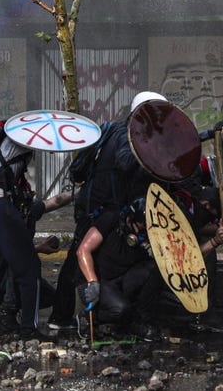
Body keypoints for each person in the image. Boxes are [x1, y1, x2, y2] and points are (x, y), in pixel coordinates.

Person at [46, 91, 161, 331]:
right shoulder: (125, 135)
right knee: (78, 260)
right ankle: (69, 315)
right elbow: (124, 161)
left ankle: (79, 310)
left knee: (94, 258)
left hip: (104, 207)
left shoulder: (125, 132)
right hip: (99, 209)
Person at [0, 133, 70, 342]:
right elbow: (45, 139)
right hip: (0, 207)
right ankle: (29, 329)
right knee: (30, 269)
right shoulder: (16, 139)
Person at [74, 199, 164, 340]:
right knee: (121, 309)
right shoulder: (111, 219)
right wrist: (93, 282)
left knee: (153, 270)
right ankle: (91, 317)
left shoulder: (147, 236)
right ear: (129, 219)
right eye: (141, 227)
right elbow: (83, 251)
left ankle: (138, 322)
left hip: (122, 278)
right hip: (99, 280)